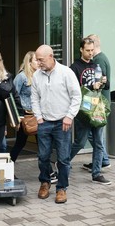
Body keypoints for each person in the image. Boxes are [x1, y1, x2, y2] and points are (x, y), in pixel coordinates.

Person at [31, 44, 81, 204]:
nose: (38, 63)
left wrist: (69, 116)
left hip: (62, 123)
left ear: (51, 56)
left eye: (41, 59)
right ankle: (45, 182)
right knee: (43, 157)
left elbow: (76, 96)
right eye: (37, 60)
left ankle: (61, 188)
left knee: (63, 158)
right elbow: (34, 98)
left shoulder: (66, 73)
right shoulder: (37, 75)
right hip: (44, 122)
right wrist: (38, 117)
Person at [70, 37, 111, 185]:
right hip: (82, 109)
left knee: (99, 142)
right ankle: (63, 163)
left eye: (92, 50)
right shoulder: (74, 67)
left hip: (96, 107)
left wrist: (103, 83)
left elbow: (105, 87)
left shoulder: (96, 65)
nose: (90, 53)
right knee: (80, 141)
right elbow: (72, 90)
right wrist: (90, 88)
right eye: (87, 50)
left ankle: (96, 173)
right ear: (81, 49)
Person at [81, 34, 111, 172]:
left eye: (91, 48)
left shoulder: (98, 60)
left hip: (97, 103)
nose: (90, 52)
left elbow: (104, 83)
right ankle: (101, 160)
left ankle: (103, 160)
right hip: (97, 102)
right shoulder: (102, 58)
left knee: (94, 135)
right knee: (96, 135)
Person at [10, 51, 38, 162]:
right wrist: (16, 117)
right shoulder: (21, 77)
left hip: (37, 115)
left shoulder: (39, 75)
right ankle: (9, 166)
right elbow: (13, 95)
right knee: (20, 143)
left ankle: (48, 171)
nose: (39, 62)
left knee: (42, 144)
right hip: (25, 115)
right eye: (36, 60)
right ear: (29, 62)